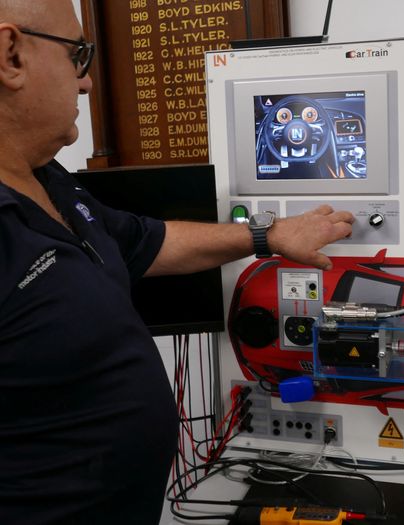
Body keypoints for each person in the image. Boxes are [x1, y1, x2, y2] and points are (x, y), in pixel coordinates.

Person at [0, 1, 355, 523]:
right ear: (10, 55)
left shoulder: (47, 179)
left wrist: (271, 234)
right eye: (78, 55)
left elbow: (150, 242)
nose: (86, 84)